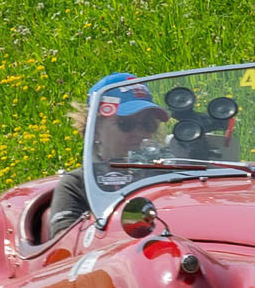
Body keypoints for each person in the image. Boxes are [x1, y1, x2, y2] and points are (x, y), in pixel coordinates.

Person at [45, 73, 170, 240]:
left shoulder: (168, 172)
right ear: (95, 130)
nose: (139, 133)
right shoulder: (77, 184)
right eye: (126, 124)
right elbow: (65, 246)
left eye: (148, 124)